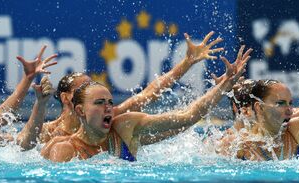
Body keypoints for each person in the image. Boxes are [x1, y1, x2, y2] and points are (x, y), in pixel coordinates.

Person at [41, 47, 251, 162]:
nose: (108, 107)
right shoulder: (61, 146)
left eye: (110, 102)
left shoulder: (124, 125)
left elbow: (188, 114)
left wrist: (225, 84)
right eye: (99, 102)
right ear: (76, 106)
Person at [37, 32, 225, 144]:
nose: (91, 90)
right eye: (82, 88)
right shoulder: (49, 134)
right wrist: (40, 105)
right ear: (66, 98)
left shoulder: (113, 121)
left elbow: (149, 93)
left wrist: (186, 63)